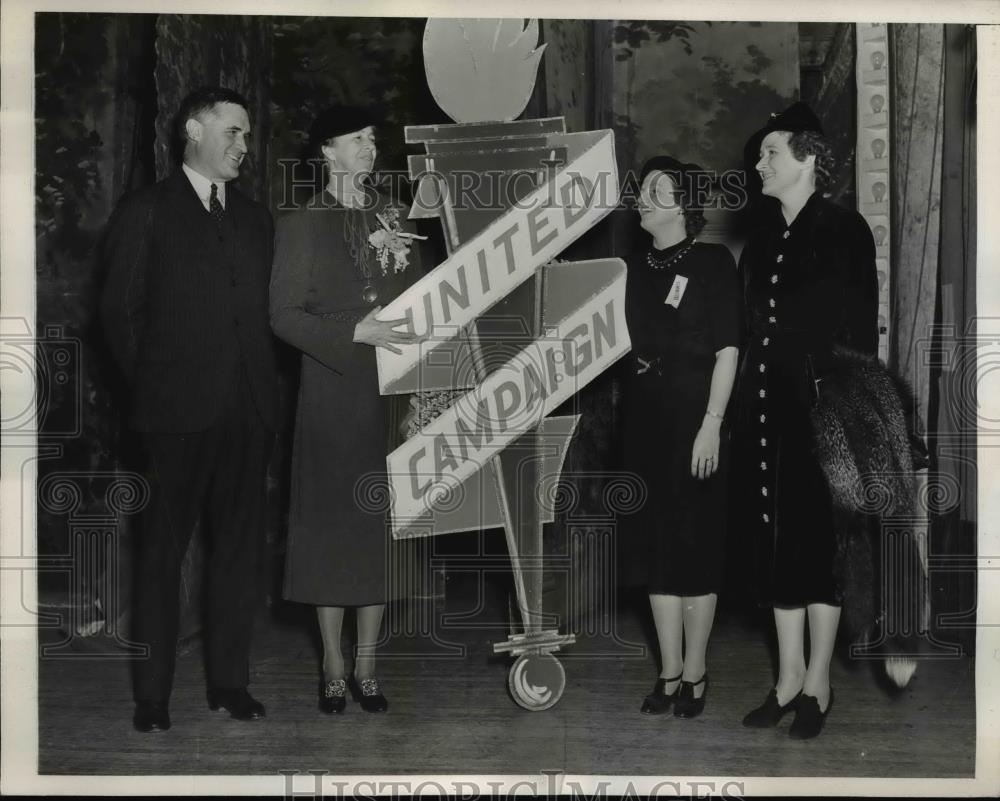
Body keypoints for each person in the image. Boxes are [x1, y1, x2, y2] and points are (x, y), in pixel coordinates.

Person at [100, 86, 278, 733]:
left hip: (247, 414)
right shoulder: (146, 210)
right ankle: (152, 696)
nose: (244, 146)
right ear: (192, 132)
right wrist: (153, 389)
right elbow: (118, 315)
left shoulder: (257, 218)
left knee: (235, 556)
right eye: (232, 131)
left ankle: (229, 683)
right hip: (172, 416)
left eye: (247, 133)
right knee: (160, 558)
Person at [270, 106, 422, 715]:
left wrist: (419, 396)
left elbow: (420, 308)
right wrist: (352, 333)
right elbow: (283, 315)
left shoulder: (394, 216)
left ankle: (368, 665)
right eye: (356, 138)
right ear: (326, 152)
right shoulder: (303, 223)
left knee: (378, 531)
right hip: (333, 393)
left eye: (372, 136)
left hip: (390, 397)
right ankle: (332, 661)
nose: (369, 145)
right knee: (331, 527)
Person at [735, 102, 879, 739]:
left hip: (822, 417)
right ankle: (787, 677)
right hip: (766, 414)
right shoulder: (761, 238)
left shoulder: (847, 231)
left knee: (820, 551)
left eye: (770, 153)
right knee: (776, 550)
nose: (759, 163)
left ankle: (818, 682)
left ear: (809, 158)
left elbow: (859, 343)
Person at [623, 156, 740, 719]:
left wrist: (712, 425)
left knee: (694, 548)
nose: (642, 196)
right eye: (642, 188)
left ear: (682, 204)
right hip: (646, 425)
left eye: (655, 189)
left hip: (699, 423)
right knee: (657, 552)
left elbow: (728, 350)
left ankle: (696, 670)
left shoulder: (714, 262)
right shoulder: (632, 267)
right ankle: (669, 671)